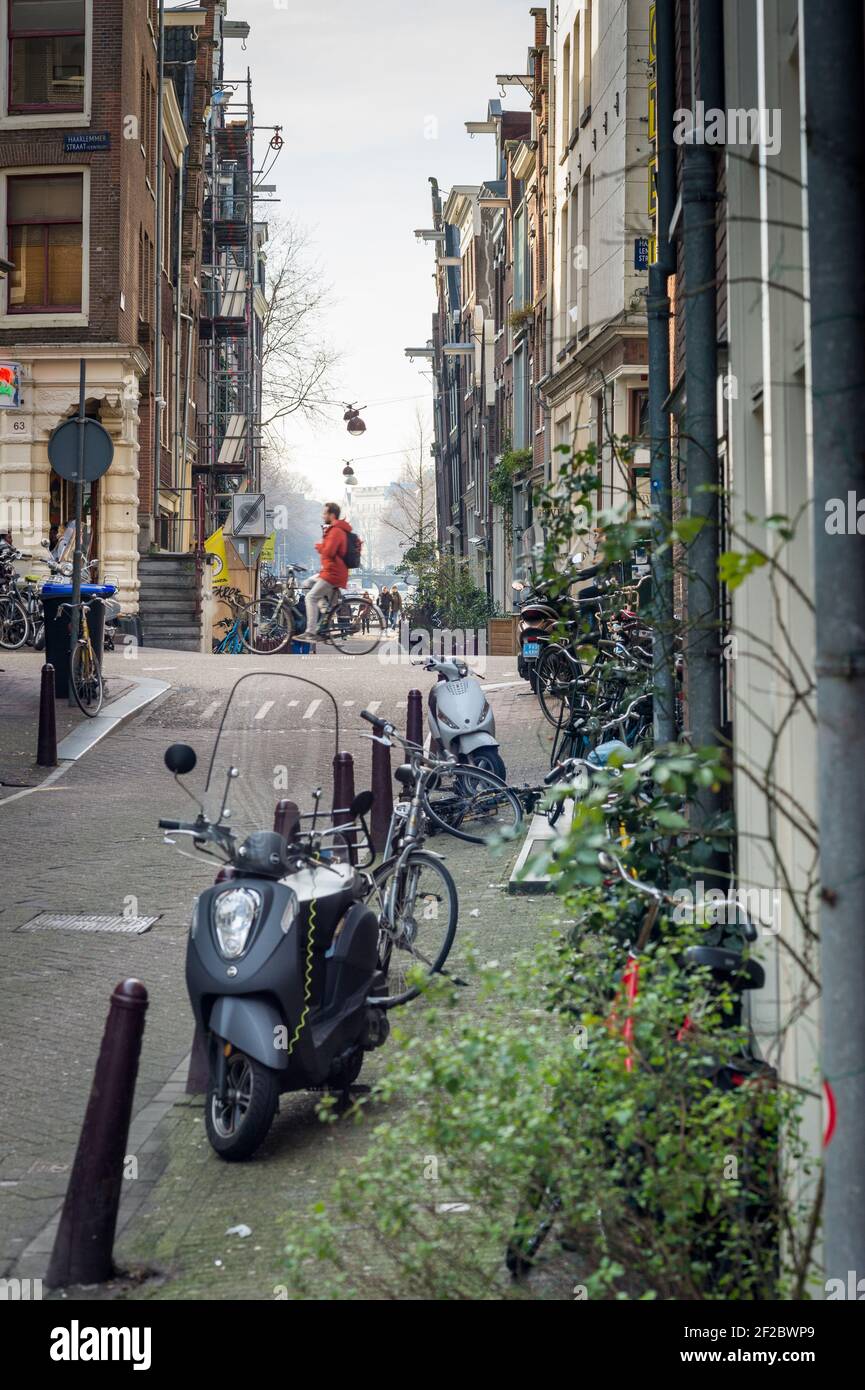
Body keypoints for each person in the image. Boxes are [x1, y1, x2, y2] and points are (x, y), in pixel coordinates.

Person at [298, 502, 352, 642]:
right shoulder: (335, 529)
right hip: (329, 571)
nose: (323, 515)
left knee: (310, 598)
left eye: (325, 513)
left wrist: (320, 546)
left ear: (332, 515)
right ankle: (324, 607)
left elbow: (330, 551)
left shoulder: (336, 530)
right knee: (307, 583)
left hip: (333, 573)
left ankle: (310, 632)